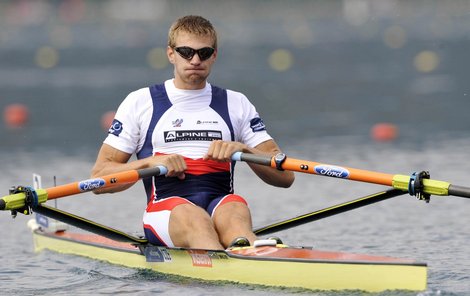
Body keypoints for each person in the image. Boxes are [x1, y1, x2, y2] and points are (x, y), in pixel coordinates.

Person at [91, 15, 294, 250]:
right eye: (186, 52)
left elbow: (285, 177)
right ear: (171, 54)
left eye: (204, 53)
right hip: (167, 208)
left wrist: (246, 150)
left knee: (236, 211)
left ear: (214, 56)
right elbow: (99, 179)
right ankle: (227, 261)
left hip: (221, 204)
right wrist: (151, 163)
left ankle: (254, 254)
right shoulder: (141, 102)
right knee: (194, 219)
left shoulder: (236, 103)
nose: (195, 59)